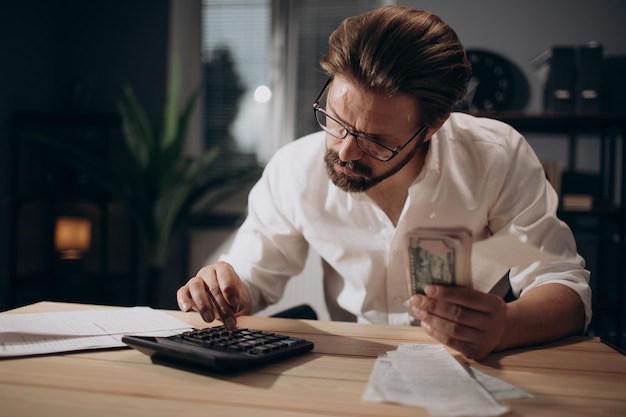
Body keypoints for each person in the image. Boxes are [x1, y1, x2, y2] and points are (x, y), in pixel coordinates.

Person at [177, 5, 591, 360]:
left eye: (376, 141)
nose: (345, 152)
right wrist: (223, 286)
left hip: (472, 366)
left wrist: (505, 325)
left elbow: (562, 284)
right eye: (337, 121)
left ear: (432, 127)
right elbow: (253, 275)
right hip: (353, 366)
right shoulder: (293, 170)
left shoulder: (496, 157)